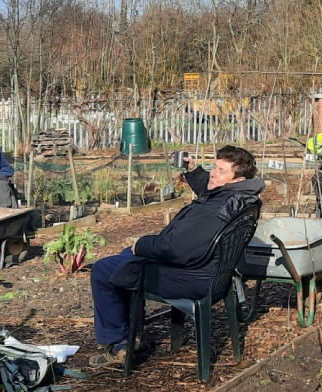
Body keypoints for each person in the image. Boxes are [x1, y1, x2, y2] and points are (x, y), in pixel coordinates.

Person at [88, 145, 263, 365]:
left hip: (191, 277)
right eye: (214, 167)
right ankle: (135, 335)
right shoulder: (239, 198)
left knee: (103, 270)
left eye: (221, 171)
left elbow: (172, 249)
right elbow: (210, 194)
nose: (213, 173)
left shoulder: (215, 210)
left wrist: (141, 245)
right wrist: (193, 170)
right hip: (211, 273)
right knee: (124, 261)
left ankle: (121, 343)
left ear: (237, 180)